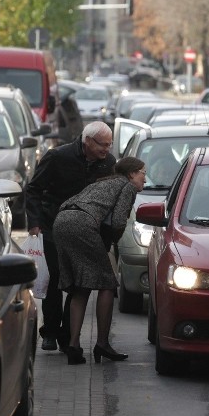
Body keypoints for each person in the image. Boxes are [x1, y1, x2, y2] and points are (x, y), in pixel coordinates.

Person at [25, 121, 116, 352]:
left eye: (110, 145)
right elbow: (33, 189)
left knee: (77, 282)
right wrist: (35, 223)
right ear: (87, 141)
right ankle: (50, 332)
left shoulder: (108, 164)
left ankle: (68, 336)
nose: (106, 149)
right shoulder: (57, 157)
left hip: (86, 232)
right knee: (56, 278)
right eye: (102, 145)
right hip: (53, 226)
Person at [53, 156, 146, 364]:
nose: (145, 179)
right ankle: (102, 343)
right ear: (131, 174)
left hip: (62, 220)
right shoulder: (127, 186)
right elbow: (119, 221)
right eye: (143, 172)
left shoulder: (103, 181)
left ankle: (74, 346)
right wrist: (113, 242)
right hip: (83, 224)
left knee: (80, 287)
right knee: (107, 284)